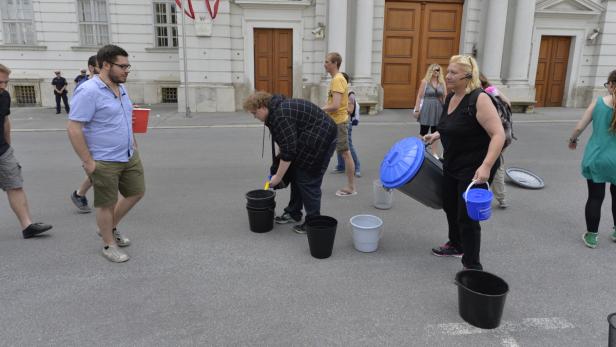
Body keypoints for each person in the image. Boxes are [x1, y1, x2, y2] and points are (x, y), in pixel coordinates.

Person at [424, 55, 505, 270]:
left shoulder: (479, 99)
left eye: (453, 73)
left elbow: (498, 135)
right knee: (450, 205)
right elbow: (453, 124)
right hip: (453, 161)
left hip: (476, 166)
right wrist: (437, 135)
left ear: (468, 76)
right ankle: (456, 244)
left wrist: (487, 166)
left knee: (467, 217)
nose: (447, 76)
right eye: (447, 71)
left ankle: (472, 267)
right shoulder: (451, 97)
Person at [67, 45, 145, 263]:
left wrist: (133, 141)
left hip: (128, 153)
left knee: (136, 192)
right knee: (106, 203)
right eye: (123, 66)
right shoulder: (89, 91)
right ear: (106, 65)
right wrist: (88, 162)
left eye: (128, 66)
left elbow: (124, 115)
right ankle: (108, 244)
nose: (127, 70)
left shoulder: (121, 87)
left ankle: (108, 228)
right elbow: (74, 128)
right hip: (104, 158)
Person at [243, 91, 337, 234]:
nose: (255, 117)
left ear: (262, 107)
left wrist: (278, 177)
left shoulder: (280, 115)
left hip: (322, 139)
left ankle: (313, 221)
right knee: (296, 175)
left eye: (254, 113)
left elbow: (289, 151)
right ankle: (293, 213)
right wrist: (281, 167)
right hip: (309, 138)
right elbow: (285, 141)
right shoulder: (275, 111)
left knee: (308, 180)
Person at [0, 64, 53, 239]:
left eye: (6, 82)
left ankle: (27, 226)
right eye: (0, 82)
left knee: (15, 184)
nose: (3, 86)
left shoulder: (4, 96)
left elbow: (6, 120)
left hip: (3, 151)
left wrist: (8, 145)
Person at [568, 69, 616, 249]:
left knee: (596, 197)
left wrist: (572, 140)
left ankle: (592, 236)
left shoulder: (598, 102)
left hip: (597, 158)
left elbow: (580, 126)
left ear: (611, 85)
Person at [322, 52, 356, 197]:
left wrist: (319, 109)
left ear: (335, 63)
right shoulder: (337, 79)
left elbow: (335, 105)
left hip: (339, 122)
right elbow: (333, 102)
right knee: (328, 150)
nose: (325, 64)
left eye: (327, 62)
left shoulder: (338, 79)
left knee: (346, 154)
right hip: (334, 121)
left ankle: (351, 187)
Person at [70, 55, 100, 213]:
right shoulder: (85, 86)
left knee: (101, 170)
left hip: (100, 135)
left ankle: (79, 193)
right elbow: (76, 118)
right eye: (99, 66)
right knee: (98, 170)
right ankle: (79, 193)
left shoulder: (104, 84)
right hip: (89, 135)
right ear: (91, 68)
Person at [479, 73, 510, 209]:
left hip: (495, 135)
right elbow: (508, 102)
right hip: (506, 133)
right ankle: (501, 198)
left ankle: (484, 196)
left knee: (491, 165)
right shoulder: (491, 89)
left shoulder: (483, 95)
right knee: (497, 165)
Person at [332, 72, 361, 178]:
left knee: (348, 146)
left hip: (345, 121)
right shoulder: (340, 92)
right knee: (339, 144)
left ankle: (357, 167)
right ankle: (341, 166)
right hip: (337, 120)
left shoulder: (350, 95)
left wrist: (336, 106)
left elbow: (350, 109)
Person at [413, 64, 446, 157]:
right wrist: (417, 109)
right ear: (430, 71)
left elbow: (445, 96)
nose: (436, 72)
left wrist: (447, 109)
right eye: (435, 70)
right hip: (427, 107)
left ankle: (434, 153)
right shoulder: (425, 82)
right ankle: (419, 151)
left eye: (438, 70)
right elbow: (419, 96)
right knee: (423, 130)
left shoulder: (442, 82)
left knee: (435, 131)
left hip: (438, 108)